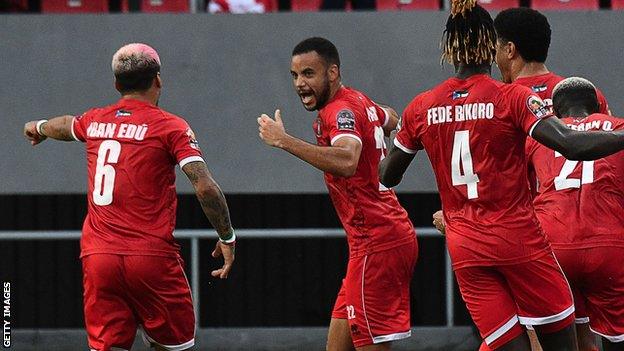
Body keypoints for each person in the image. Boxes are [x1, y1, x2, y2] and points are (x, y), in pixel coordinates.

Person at [379, 0, 624, 349]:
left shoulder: (421, 107)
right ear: (488, 46)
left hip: (466, 248)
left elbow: (388, 175)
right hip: (523, 240)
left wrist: (378, 135)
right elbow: (572, 146)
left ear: (449, 49)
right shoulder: (512, 98)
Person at [23, 43, 235, 351]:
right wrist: (226, 236)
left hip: (99, 259)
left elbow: (66, 124)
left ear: (117, 84)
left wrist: (38, 127)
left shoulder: (95, 120)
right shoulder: (170, 126)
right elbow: (204, 186)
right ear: (158, 80)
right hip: (150, 259)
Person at [257, 37, 418, 351]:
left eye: (308, 74)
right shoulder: (357, 101)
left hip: (378, 243)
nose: (300, 84)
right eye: (295, 75)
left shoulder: (338, 110)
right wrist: (377, 118)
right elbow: (393, 118)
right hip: (373, 243)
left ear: (332, 73)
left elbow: (346, 159)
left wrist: (283, 140)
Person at [526, 77, 624, 351]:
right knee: (617, 337)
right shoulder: (618, 128)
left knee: (564, 337)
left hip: (554, 245)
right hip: (609, 244)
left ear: (555, 112)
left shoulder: (540, 137)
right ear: (598, 107)